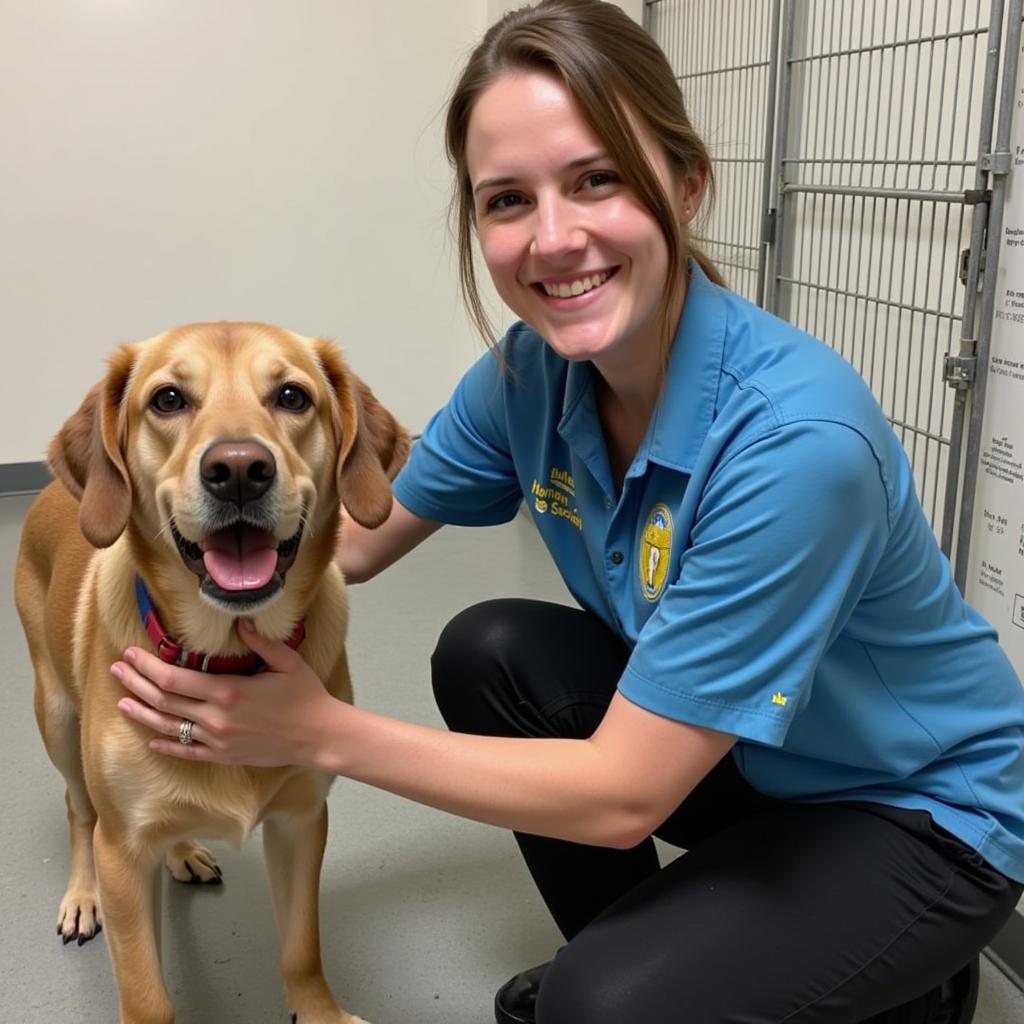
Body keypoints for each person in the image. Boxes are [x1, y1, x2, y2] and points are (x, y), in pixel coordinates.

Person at [112, 2, 1024, 1021]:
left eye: (597, 178)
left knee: (596, 1007)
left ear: (684, 185)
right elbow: (354, 540)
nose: (553, 238)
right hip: (755, 757)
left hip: (914, 807)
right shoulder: (529, 378)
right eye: (508, 200)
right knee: (490, 648)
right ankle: (668, 955)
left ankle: (874, 978)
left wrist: (320, 731)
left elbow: (624, 793)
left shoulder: (797, 444)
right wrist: (183, 494)